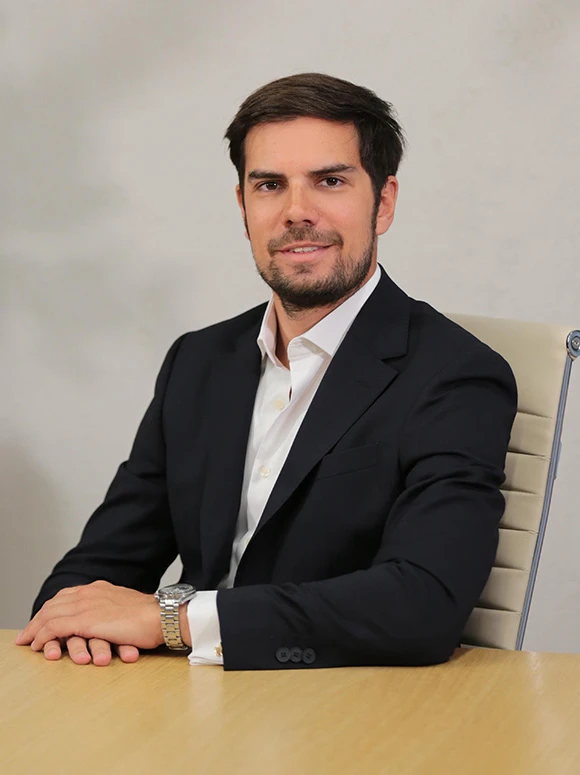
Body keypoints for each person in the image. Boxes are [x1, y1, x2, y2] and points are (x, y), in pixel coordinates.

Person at [16, 73, 517, 670]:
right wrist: (81, 625)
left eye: (330, 181)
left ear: (383, 202)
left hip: (346, 716)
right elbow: (86, 583)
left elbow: (421, 607)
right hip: (182, 708)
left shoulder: (456, 375)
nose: (296, 212)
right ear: (243, 205)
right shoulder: (199, 362)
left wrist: (169, 619)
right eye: (270, 185)